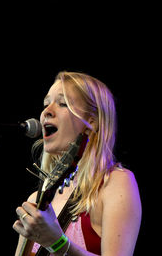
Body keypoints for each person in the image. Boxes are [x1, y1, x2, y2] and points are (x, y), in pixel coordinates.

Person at [13, 71, 142, 256]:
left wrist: (58, 243)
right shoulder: (36, 201)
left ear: (92, 121)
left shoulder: (114, 183)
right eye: (45, 104)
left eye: (63, 103)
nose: (46, 111)